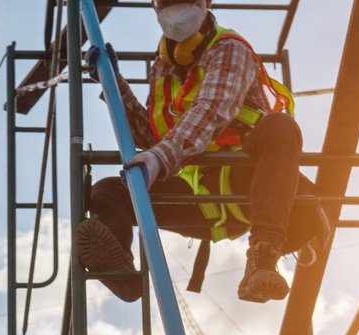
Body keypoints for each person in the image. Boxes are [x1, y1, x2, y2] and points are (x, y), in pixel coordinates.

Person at [77, 0, 330, 305]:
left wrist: (158, 159)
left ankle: (263, 258)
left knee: (280, 126)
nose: (176, 9)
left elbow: (210, 112)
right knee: (107, 193)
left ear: (206, 2)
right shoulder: (162, 68)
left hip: (250, 185)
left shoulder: (230, 49)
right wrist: (114, 87)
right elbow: (152, 137)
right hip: (198, 195)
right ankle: (121, 272)